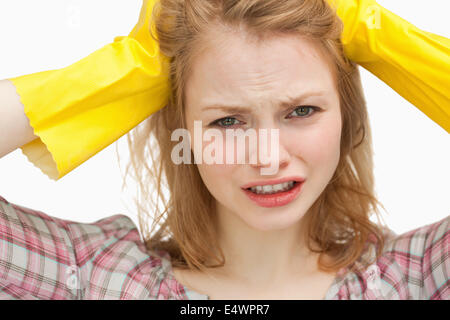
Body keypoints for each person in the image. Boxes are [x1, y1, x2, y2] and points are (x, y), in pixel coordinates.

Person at [0, 0, 448, 300]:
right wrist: (132, 68)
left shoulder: (415, 279)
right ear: (183, 131)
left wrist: (384, 37)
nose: (268, 158)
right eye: (227, 121)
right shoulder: (97, 277)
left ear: (346, 117)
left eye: (301, 111)